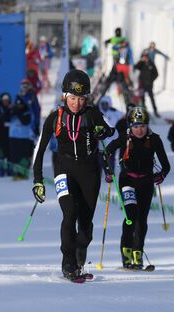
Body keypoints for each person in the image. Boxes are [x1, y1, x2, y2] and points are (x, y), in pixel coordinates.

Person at [31, 69, 115, 282]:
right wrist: (38, 180)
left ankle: (79, 257)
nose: (76, 103)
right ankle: (68, 261)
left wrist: (101, 131)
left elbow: (109, 130)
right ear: (64, 96)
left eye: (81, 98)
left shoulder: (91, 113)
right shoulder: (55, 117)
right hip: (64, 170)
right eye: (72, 98)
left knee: (85, 225)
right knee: (69, 213)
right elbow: (39, 150)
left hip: (89, 173)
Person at [104, 107, 170, 269]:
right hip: (127, 180)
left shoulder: (154, 139)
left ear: (147, 126)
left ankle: (137, 253)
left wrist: (161, 175)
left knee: (142, 219)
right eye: (135, 126)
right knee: (130, 215)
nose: (139, 130)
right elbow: (107, 152)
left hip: (146, 182)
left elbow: (166, 165)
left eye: (142, 126)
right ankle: (126, 253)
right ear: (130, 126)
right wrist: (108, 170)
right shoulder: (124, 138)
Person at [134, 51, 160, 117]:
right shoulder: (141, 63)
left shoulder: (151, 64)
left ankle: (155, 111)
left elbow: (156, 74)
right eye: (144, 56)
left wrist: (151, 80)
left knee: (151, 98)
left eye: (146, 56)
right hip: (142, 84)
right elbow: (135, 67)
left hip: (149, 84)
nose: (145, 58)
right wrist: (140, 61)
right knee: (142, 98)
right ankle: (144, 110)